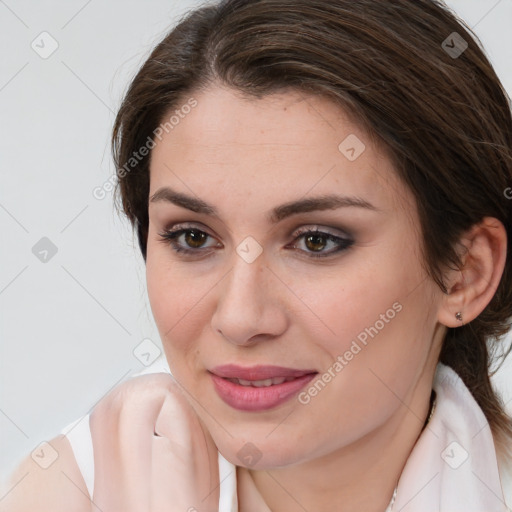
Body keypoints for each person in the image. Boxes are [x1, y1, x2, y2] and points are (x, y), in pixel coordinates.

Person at [3, 0, 512, 510]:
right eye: (193, 237)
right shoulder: (62, 494)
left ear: (466, 273)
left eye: (316, 240)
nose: (240, 319)